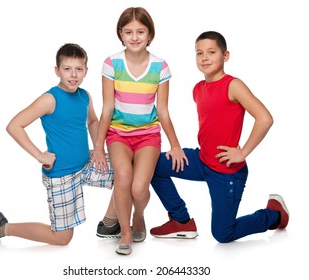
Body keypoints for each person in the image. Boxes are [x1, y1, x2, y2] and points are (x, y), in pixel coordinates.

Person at [149, 31, 289, 243]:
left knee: (223, 234)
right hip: (202, 160)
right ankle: (181, 220)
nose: (204, 57)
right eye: (199, 53)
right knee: (151, 165)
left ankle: (274, 214)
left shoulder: (233, 85)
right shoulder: (198, 89)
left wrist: (242, 152)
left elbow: (265, 118)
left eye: (211, 52)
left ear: (226, 56)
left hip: (226, 171)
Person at [0, 43, 113, 245]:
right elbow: (14, 125)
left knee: (125, 172)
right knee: (61, 238)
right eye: (67, 69)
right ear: (57, 71)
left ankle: (112, 224)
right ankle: (0, 227)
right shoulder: (50, 99)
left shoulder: (84, 96)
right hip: (61, 175)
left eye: (79, 69)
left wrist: (98, 150)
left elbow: (93, 121)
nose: (73, 75)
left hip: (86, 164)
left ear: (86, 71)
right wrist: (40, 156)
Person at [91, 7, 188, 255]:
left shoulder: (160, 66)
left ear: (149, 35)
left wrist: (175, 145)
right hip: (118, 135)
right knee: (122, 178)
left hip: (148, 136)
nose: (135, 37)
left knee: (138, 187)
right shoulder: (112, 63)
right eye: (129, 32)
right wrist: (99, 147)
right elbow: (107, 108)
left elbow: (163, 111)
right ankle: (125, 233)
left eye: (140, 32)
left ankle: (139, 216)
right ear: (121, 35)